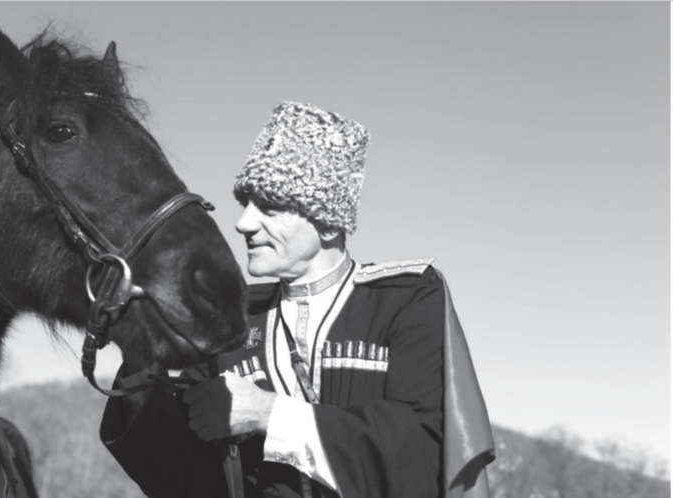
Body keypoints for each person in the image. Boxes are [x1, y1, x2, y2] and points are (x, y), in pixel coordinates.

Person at [100, 102, 495, 498]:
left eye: (270, 207)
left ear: (328, 224)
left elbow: (421, 452)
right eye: (245, 204)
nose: (243, 223)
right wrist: (138, 355)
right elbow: (180, 476)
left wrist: (268, 414)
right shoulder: (231, 316)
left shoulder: (407, 298)